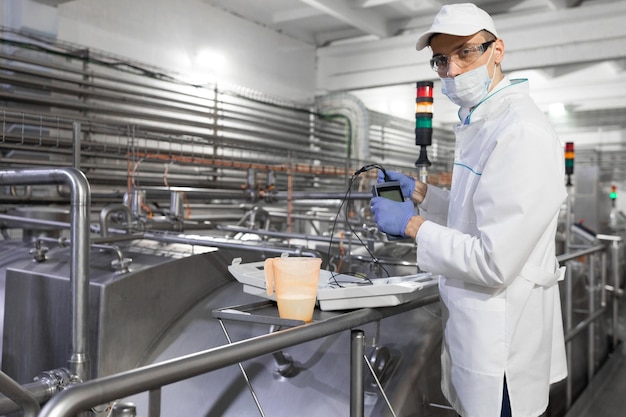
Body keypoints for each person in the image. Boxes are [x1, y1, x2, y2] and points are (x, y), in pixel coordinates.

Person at [369, 3, 568, 417]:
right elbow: (477, 212)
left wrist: (413, 225)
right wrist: (425, 195)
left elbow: (493, 260)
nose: (453, 70)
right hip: (480, 334)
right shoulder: (484, 122)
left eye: (466, 52)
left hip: (503, 353)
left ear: (497, 50)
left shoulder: (520, 131)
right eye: (441, 59)